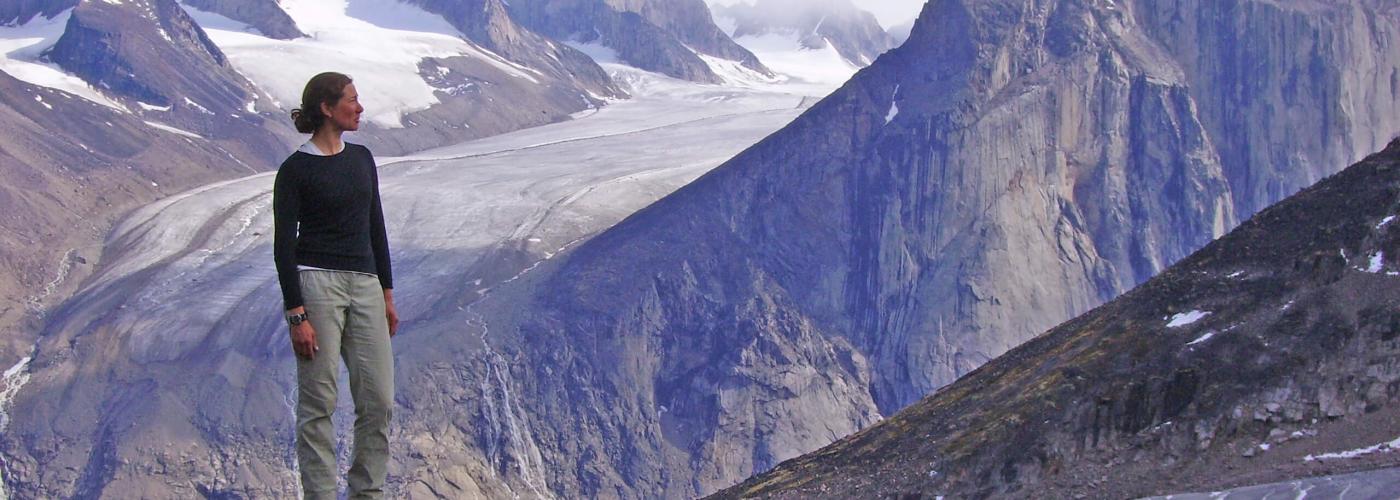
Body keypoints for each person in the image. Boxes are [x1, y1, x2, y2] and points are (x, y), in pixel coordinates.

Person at [273, 71, 400, 499]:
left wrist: (386, 292)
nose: (360, 107)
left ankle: (367, 492)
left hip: (365, 283)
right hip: (317, 285)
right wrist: (297, 314)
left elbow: (375, 225)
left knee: (378, 399)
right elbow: (282, 245)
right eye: (351, 99)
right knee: (318, 402)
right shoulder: (296, 170)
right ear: (327, 109)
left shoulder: (361, 159)